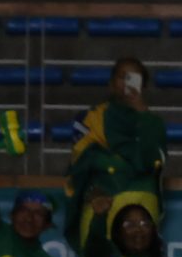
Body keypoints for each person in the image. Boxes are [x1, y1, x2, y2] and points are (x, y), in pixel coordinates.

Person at [64, 56, 168, 239]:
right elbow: (83, 161)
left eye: (134, 77)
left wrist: (142, 114)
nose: (127, 82)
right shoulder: (90, 118)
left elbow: (150, 162)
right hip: (100, 203)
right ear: (111, 83)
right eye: (122, 76)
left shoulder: (153, 124)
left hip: (141, 206)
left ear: (143, 86)